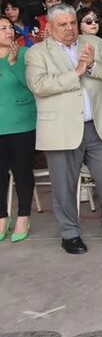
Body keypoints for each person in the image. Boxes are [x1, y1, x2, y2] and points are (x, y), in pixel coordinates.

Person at [25, 4, 102, 254]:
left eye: (71, 22)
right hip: (61, 129)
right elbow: (38, 85)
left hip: (98, 125)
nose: (70, 28)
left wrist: (91, 66)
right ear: (49, 26)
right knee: (64, 185)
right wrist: (76, 72)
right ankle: (69, 233)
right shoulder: (37, 53)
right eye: (63, 24)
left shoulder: (92, 42)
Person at [0, 16, 36, 243]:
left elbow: (30, 84)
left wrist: (13, 63)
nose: (8, 31)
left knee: (22, 171)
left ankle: (24, 215)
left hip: (22, 122)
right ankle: (2, 216)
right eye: (2, 28)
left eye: (10, 27)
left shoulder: (24, 54)